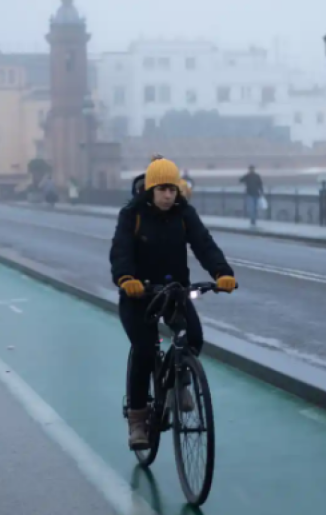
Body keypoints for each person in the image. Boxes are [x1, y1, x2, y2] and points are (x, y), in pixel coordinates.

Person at [110, 156, 237, 450]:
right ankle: (138, 421)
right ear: (150, 190)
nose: (168, 195)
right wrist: (127, 278)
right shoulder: (133, 214)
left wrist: (222, 272)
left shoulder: (184, 213)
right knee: (144, 350)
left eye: (172, 189)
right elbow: (121, 251)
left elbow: (204, 244)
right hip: (138, 295)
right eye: (162, 189)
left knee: (193, 336)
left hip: (173, 290)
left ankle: (179, 381)